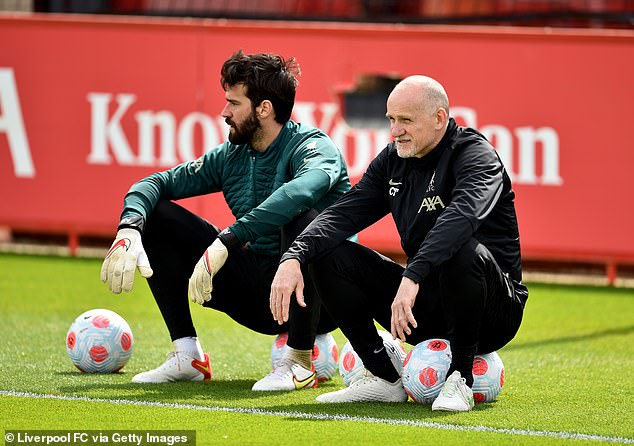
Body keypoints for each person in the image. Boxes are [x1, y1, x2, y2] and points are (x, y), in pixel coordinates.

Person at [269, 75, 529, 411]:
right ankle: (383, 377)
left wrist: (413, 275)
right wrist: (294, 256)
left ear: (439, 118)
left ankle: (461, 378)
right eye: (391, 119)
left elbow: (461, 218)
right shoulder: (393, 159)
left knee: (460, 246)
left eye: (405, 120)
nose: (395, 131)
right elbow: (343, 214)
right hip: (424, 304)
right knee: (327, 253)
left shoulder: (476, 155)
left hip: (492, 315)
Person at [100, 50, 351, 391]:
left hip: (326, 297)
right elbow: (155, 182)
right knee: (156, 215)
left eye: (234, 103)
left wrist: (228, 239)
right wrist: (129, 228)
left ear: (264, 109)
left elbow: (303, 192)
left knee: (306, 220)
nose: (224, 112)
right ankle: (187, 356)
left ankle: (298, 362)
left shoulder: (313, 146)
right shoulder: (231, 155)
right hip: (262, 295)